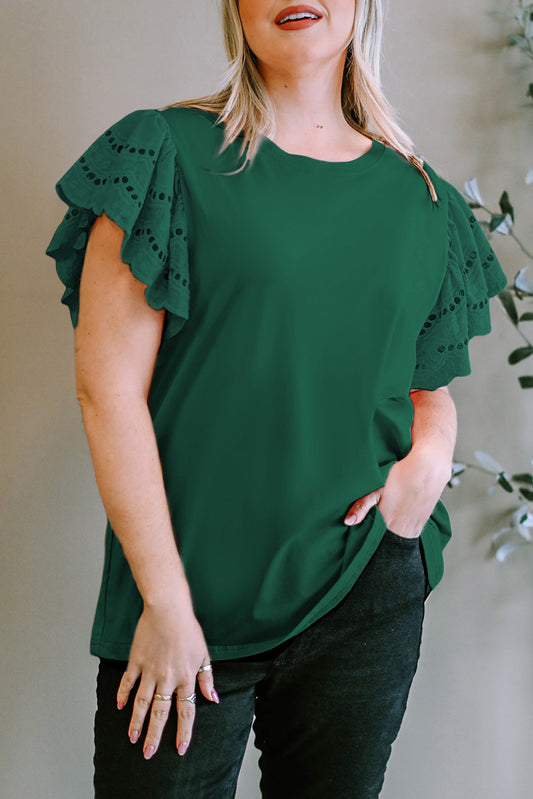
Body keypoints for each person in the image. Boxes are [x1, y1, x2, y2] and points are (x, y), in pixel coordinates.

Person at [45, 1, 508, 797]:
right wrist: (163, 602)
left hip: (364, 587)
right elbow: (106, 389)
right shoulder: (165, 153)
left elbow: (421, 386)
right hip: (182, 602)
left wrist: (425, 463)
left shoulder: (421, 199)